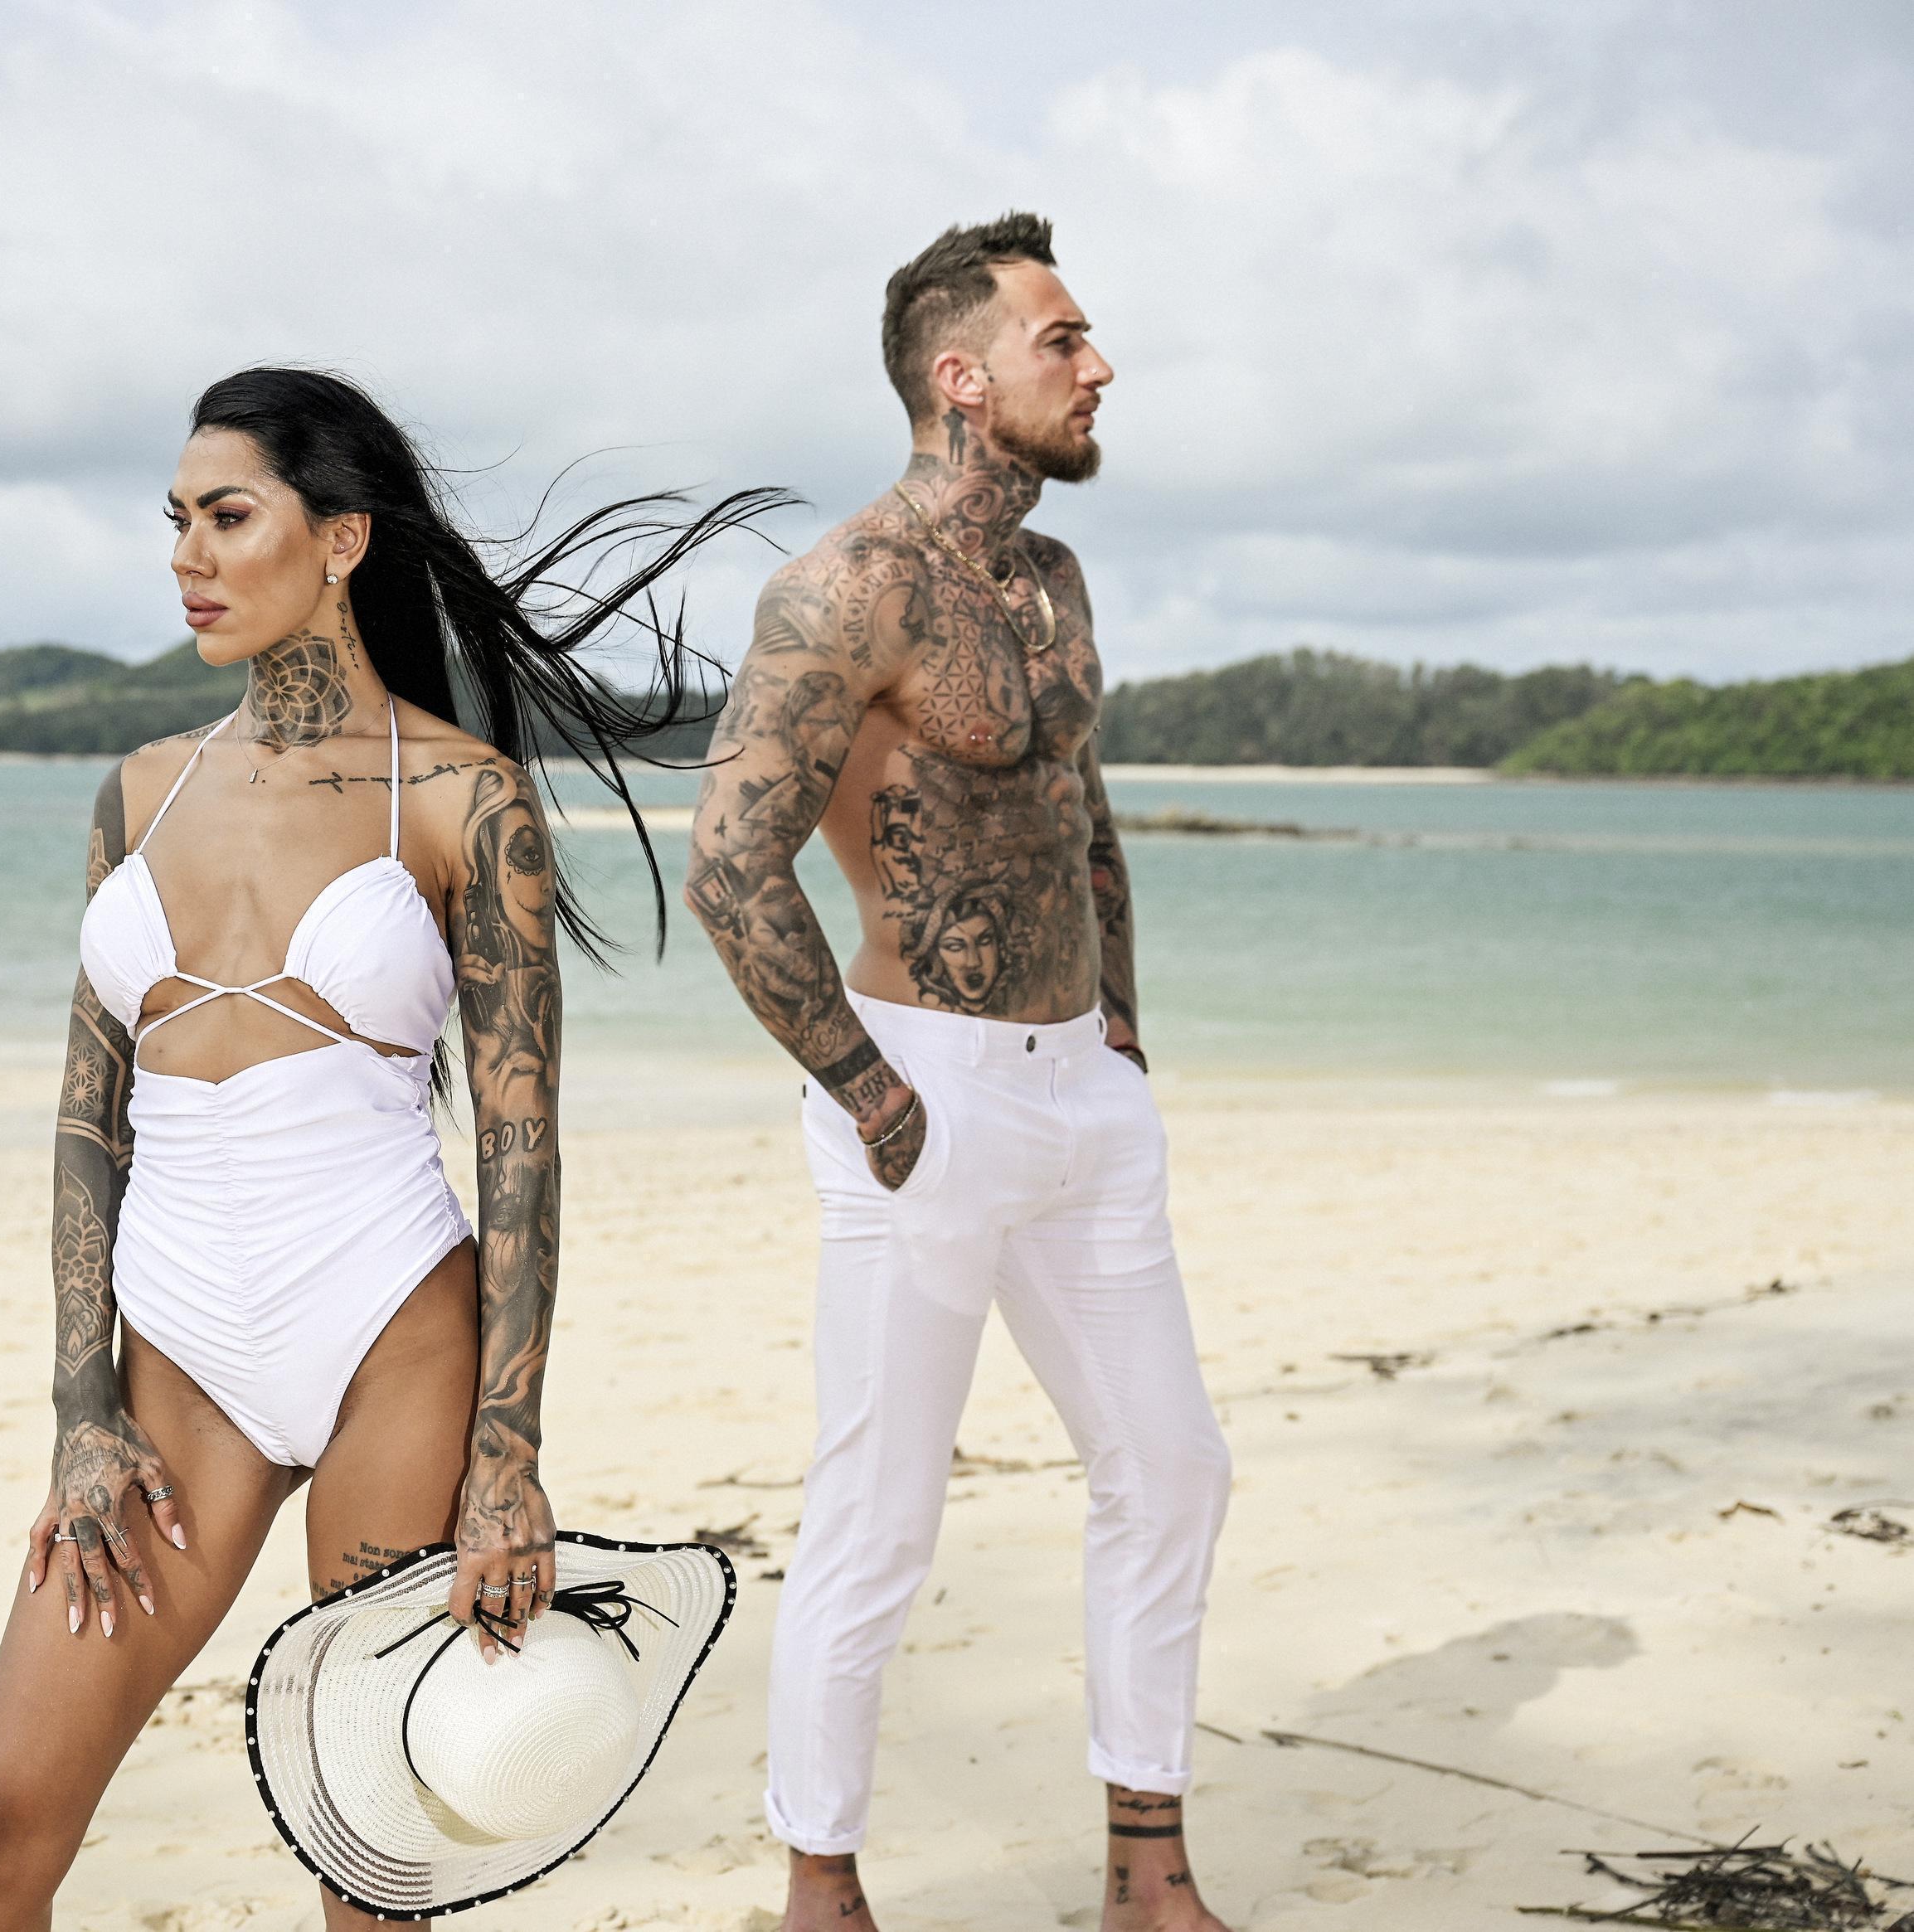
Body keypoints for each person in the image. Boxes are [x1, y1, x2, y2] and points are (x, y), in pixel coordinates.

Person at [0, 366, 778, 1930]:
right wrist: (79, 1407)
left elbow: (520, 1146)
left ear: (339, 540)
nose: (187, 554)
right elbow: (88, 1121)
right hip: (177, 1349)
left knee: (371, 1865)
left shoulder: (463, 797)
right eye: (176, 520)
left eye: (227, 516)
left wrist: (507, 1453)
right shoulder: (139, 793)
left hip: (391, 1329)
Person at [682, 214, 1236, 1932]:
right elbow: (730, 863)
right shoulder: (845, 587)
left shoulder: (1054, 579)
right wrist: (869, 1090)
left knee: (1172, 1468)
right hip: (921, 1091)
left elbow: (1082, 809)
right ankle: (820, 1886)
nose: (1098, 366)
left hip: (1082, 1095)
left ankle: (1147, 1870)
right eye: (1062, 339)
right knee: (880, 1512)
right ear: (961, 377)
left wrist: (1121, 1020)